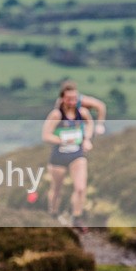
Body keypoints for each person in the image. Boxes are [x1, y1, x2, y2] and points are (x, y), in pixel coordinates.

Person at [42, 81, 94, 231]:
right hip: (58, 156)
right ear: (63, 98)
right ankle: (53, 214)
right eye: (69, 98)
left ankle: (77, 217)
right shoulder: (56, 115)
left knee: (80, 188)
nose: (72, 101)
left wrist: (86, 139)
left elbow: (90, 124)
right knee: (57, 189)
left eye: (75, 98)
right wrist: (62, 140)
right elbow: (46, 135)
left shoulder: (82, 113)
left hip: (77, 155)